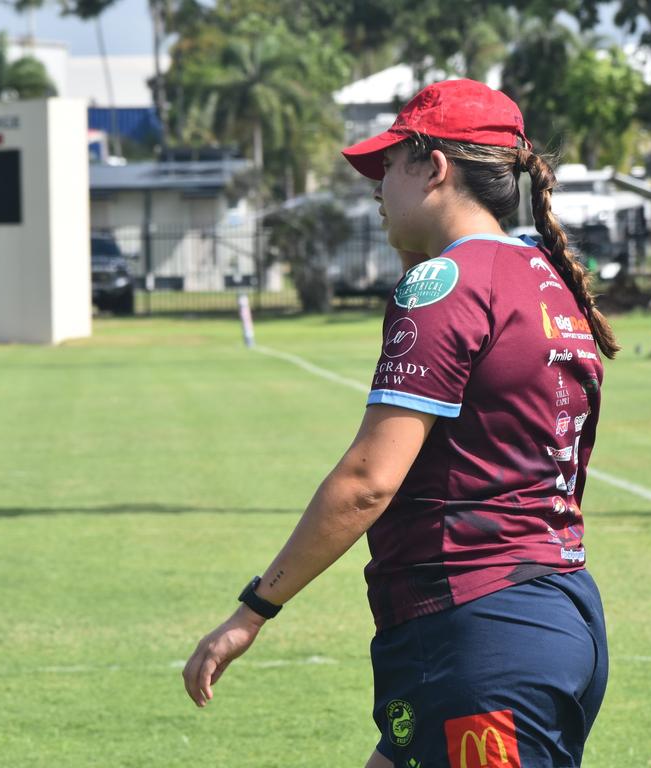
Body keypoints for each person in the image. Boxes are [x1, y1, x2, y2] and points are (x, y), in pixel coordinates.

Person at [183, 79, 618, 768]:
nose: (377, 188)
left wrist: (252, 612)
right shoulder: (544, 276)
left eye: (388, 167)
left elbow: (366, 481)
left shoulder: (445, 283)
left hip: (479, 634)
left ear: (434, 167)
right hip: (553, 616)